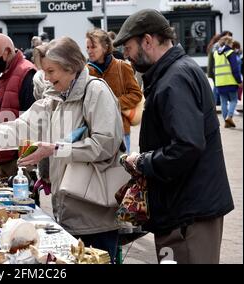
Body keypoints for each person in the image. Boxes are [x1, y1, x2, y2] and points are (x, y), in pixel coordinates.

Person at [0, 36, 124, 262]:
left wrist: (54, 149)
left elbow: (105, 145)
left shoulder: (95, 92)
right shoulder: (55, 98)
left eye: (51, 71)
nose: (46, 78)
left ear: (70, 67)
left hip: (95, 212)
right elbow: (22, 126)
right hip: (68, 207)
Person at [114, 9, 234, 264]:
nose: (126, 55)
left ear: (147, 41)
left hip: (188, 214)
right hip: (184, 208)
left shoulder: (174, 78)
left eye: (128, 46)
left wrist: (142, 162)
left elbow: (186, 145)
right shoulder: (173, 72)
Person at [0, 33, 36, 177]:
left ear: (8, 51)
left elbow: (31, 119)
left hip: (16, 157)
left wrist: (26, 158)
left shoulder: (26, 73)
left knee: (23, 195)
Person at [86, 28, 143, 154]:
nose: (89, 51)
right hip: (95, 132)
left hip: (121, 130)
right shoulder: (85, 72)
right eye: (88, 47)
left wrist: (114, 103)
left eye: (93, 47)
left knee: (124, 169)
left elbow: (136, 94)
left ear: (105, 47)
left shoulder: (122, 67)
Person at [214, 36, 242, 128]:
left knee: (223, 102)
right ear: (229, 43)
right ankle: (229, 117)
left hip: (219, 82)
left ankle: (226, 120)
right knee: (233, 100)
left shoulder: (216, 54)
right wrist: (239, 81)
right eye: (231, 42)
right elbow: (235, 69)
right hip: (230, 81)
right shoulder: (230, 53)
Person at [207, 31, 233, 106]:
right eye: (227, 37)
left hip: (218, 71)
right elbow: (213, 61)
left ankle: (215, 104)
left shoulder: (221, 46)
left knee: (218, 89)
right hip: (217, 71)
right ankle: (213, 105)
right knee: (217, 88)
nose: (229, 39)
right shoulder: (217, 47)